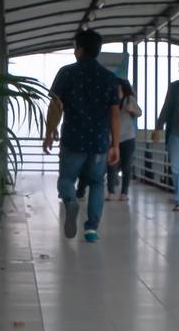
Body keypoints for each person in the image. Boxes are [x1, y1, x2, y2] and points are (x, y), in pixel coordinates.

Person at [42, 29, 120, 243]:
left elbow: (55, 106)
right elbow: (115, 114)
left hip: (73, 139)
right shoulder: (110, 78)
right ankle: (91, 229)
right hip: (99, 142)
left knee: (66, 179)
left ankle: (70, 202)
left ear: (79, 50)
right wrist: (116, 145)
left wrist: (49, 133)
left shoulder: (66, 73)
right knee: (96, 183)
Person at [153, 56, 179, 211]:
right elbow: (167, 107)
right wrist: (158, 128)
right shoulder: (175, 87)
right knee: (177, 168)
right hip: (176, 133)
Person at [106, 79, 141, 202]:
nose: (117, 92)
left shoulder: (129, 100)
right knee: (111, 164)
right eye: (116, 90)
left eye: (120, 90)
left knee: (127, 166)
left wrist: (132, 109)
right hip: (112, 138)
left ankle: (124, 192)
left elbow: (139, 112)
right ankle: (111, 191)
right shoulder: (109, 101)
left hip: (128, 137)